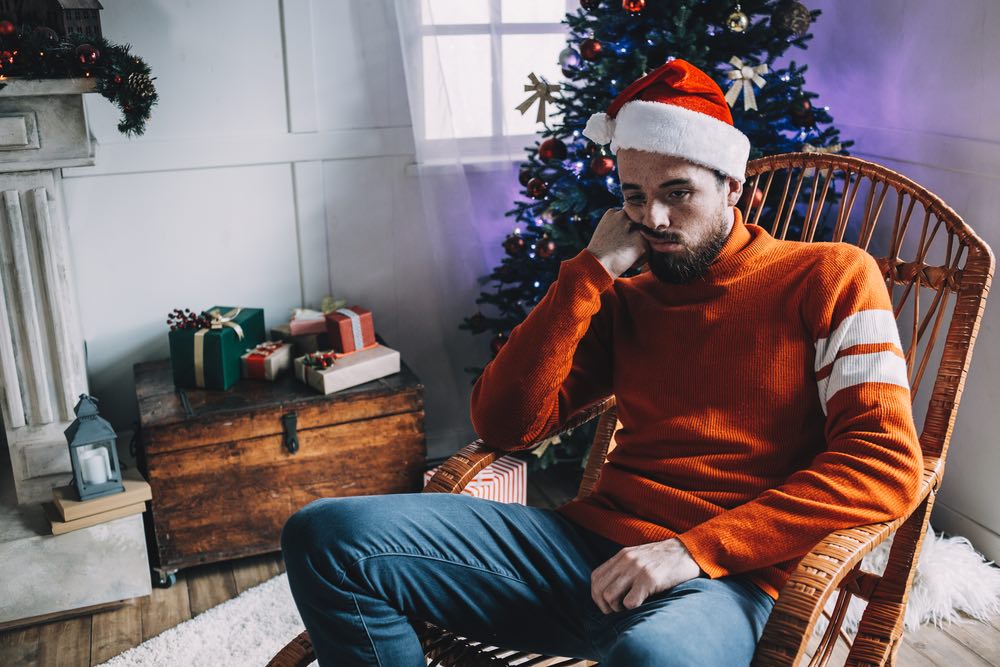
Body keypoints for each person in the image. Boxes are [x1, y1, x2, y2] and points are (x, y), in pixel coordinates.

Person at [280, 58, 925, 666]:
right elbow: (507, 424)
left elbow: (884, 464)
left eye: (678, 193)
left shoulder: (831, 276)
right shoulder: (625, 298)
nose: (656, 219)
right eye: (635, 198)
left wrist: (689, 552)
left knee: (653, 658)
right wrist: (588, 275)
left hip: (723, 583)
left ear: (733, 184)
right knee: (328, 536)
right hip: (582, 554)